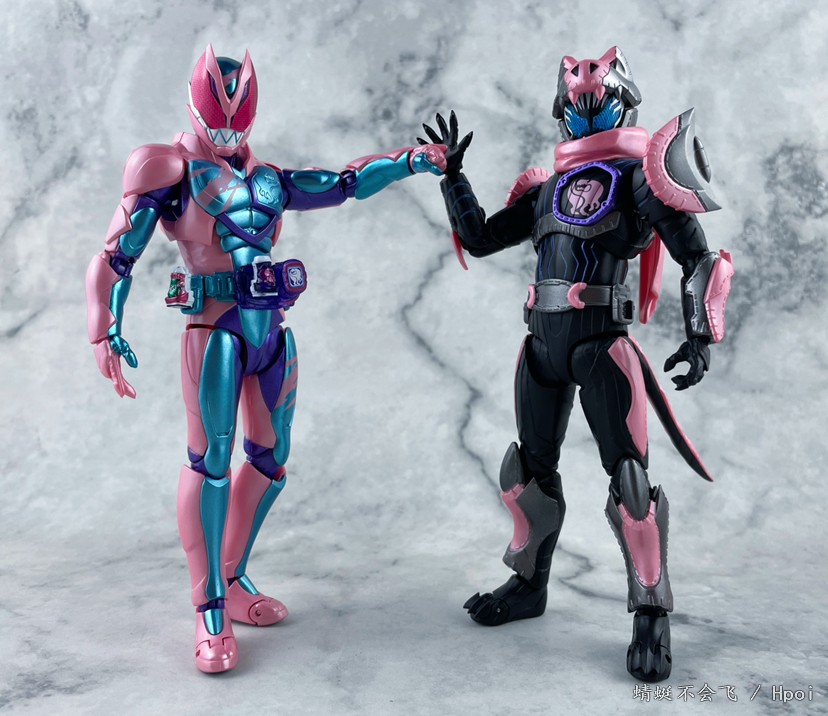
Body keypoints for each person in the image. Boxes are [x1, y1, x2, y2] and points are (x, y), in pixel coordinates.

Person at [86, 45, 447, 673]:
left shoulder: (270, 180)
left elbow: (345, 184)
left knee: (270, 461)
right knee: (210, 463)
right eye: (217, 116)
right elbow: (117, 255)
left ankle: (232, 576)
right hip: (214, 331)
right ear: (196, 104)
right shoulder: (167, 169)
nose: (227, 129)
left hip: (270, 329)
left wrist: (410, 161)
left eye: (237, 117)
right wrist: (103, 328)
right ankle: (209, 607)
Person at [424, 47, 733, 682]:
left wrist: (700, 336)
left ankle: (651, 613)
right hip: (541, 343)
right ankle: (529, 585)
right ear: (561, 111)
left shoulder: (642, 178)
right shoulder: (545, 192)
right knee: (526, 473)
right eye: (576, 106)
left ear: (624, 104)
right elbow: (481, 237)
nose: (586, 115)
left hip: (601, 346)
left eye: (599, 104)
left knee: (630, 482)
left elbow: (697, 255)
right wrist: (453, 175)